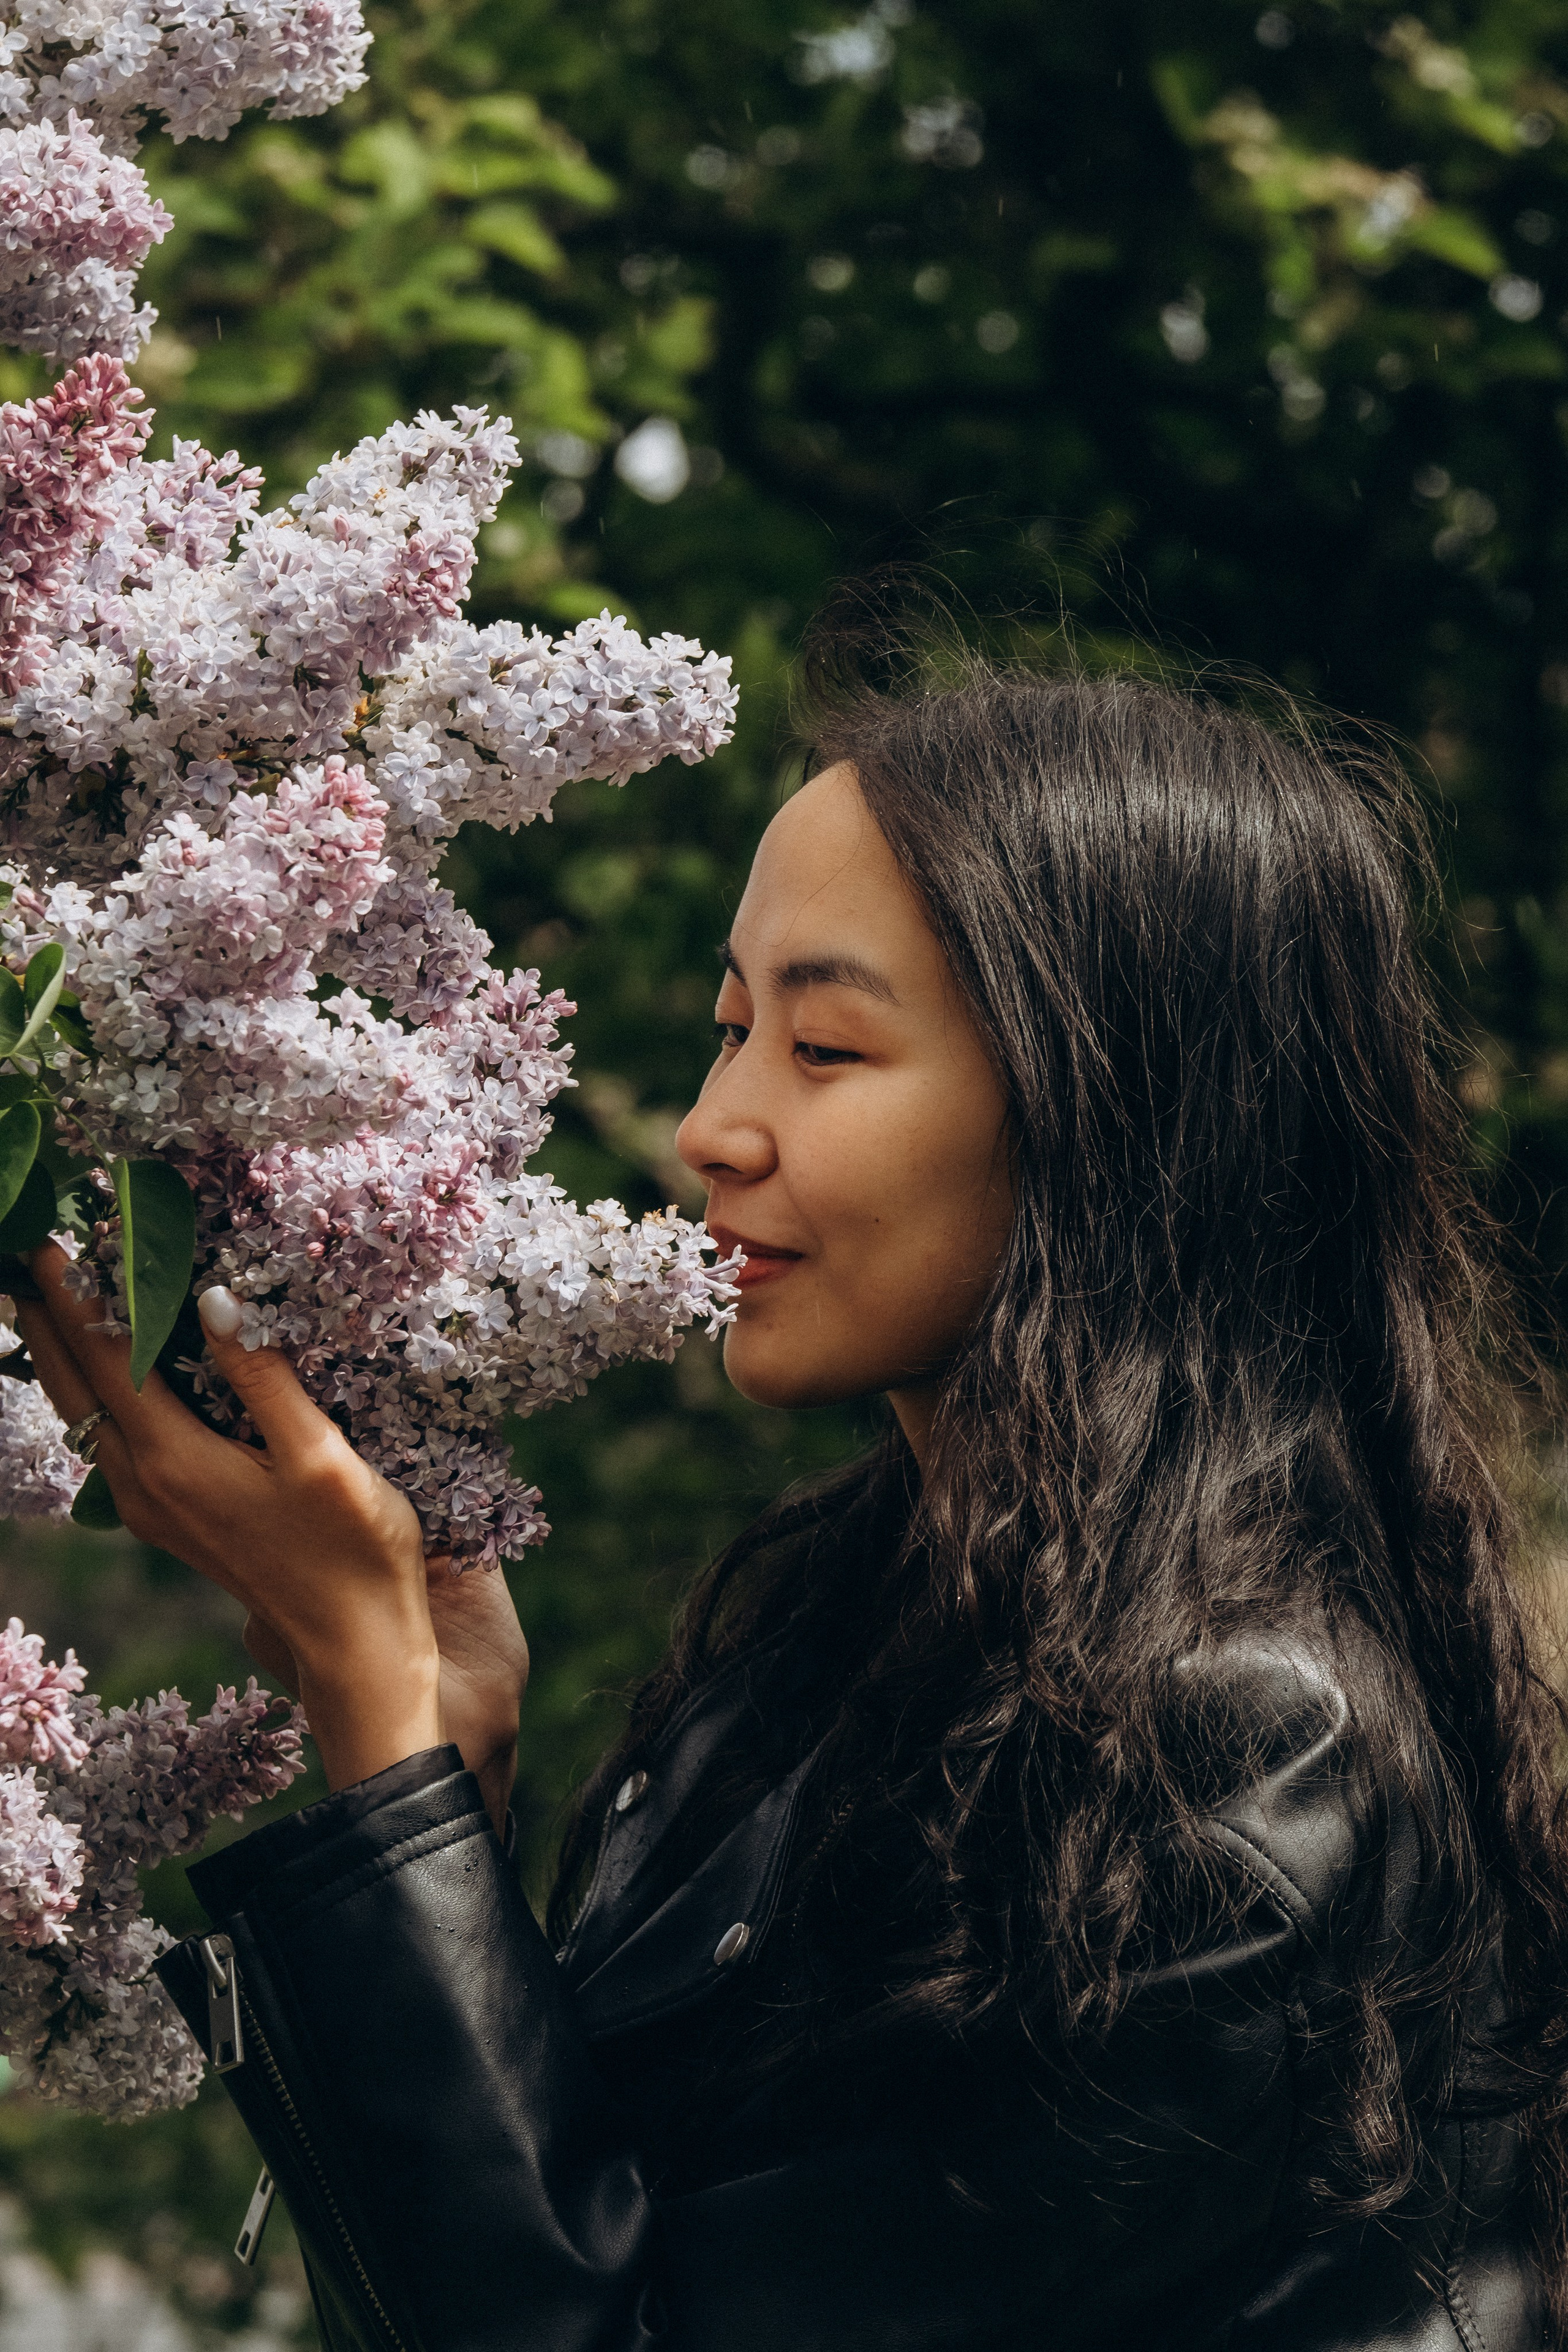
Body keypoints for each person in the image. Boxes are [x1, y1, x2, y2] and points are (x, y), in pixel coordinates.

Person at [12, 644, 1568, 2350]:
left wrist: (377, 1742)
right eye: (733, 1027)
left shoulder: (1238, 1761)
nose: (709, 1128)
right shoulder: (853, 1630)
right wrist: (447, 1769)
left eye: (826, 1048)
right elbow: (608, 2233)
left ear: (1118, 1113)